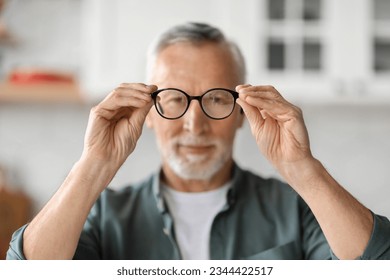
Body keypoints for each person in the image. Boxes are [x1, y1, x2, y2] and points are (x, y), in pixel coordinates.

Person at [7, 22, 390, 260]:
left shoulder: (296, 209)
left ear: (242, 112)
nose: (195, 123)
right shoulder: (105, 215)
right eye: (174, 98)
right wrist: (93, 165)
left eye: (217, 99)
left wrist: (302, 169)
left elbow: (379, 265)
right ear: (150, 114)